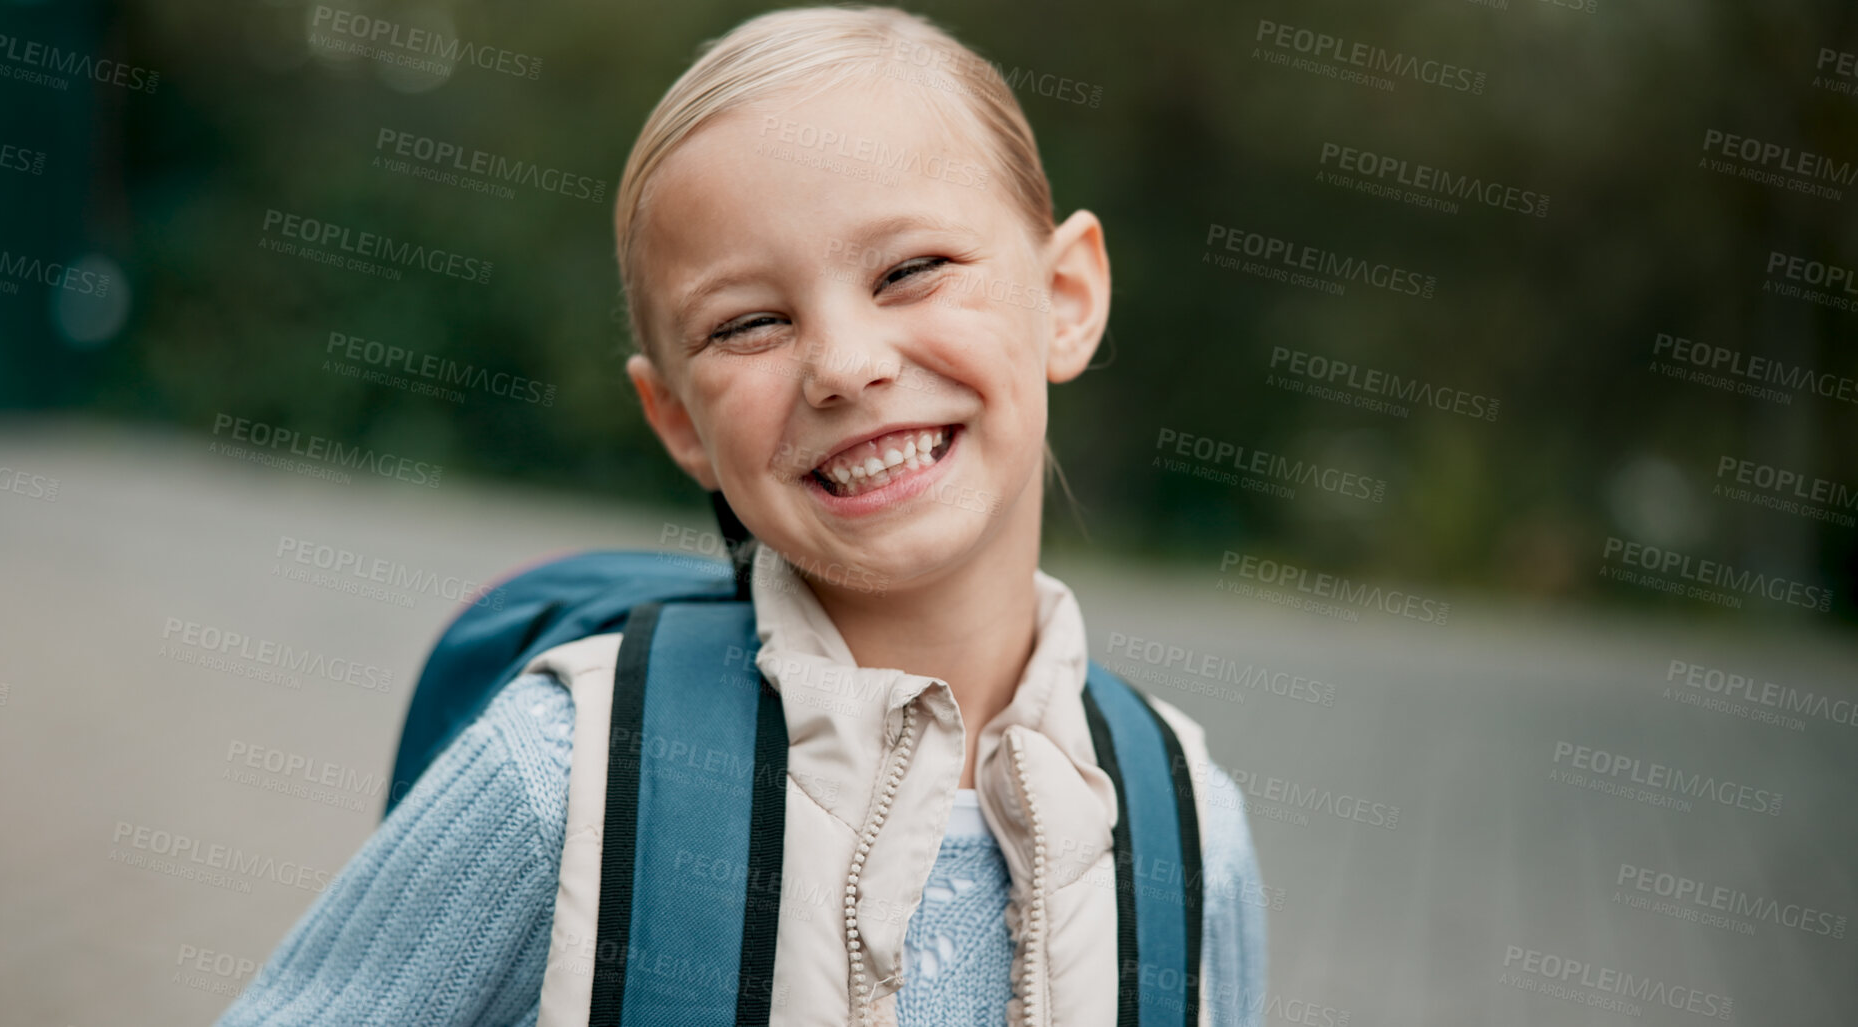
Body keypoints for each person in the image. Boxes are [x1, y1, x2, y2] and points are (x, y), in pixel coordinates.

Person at [216, 6, 1265, 1025]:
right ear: (676, 418)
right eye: (751, 323)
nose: (846, 367)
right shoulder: (566, 779)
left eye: (911, 270)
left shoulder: (1187, 826)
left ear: (1069, 295)